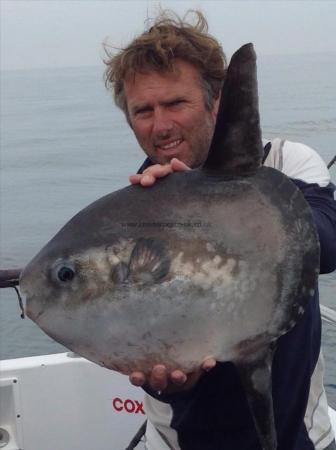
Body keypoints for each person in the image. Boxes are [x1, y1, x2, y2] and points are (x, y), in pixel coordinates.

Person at [104, 10, 336, 450]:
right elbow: (143, 336)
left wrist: (227, 201)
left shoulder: (288, 163)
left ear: (217, 101)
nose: (161, 125)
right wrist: (165, 380)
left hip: (298, 438)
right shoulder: (137, 205)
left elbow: (326, 244)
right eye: (143, 111)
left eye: (175, 103)